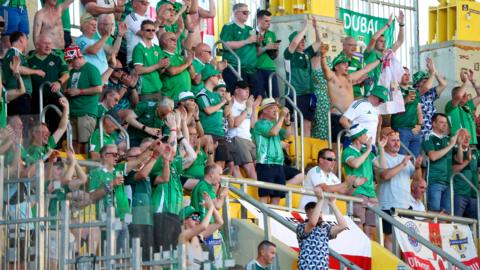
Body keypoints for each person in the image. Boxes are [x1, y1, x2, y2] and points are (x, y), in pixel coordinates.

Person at [319, 42, 381, 150]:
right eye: (344, 64)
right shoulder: (332, 78)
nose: (347, 65)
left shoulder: (349, 78)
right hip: (337, 117)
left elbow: (365, 69)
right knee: (337, 148)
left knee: (351, 147)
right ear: (336, 66)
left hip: (350, 118)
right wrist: (323, 56)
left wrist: (380, 60)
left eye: (348, 63)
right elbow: (325, 69)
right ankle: (335, 167)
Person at [377, 127, 422, 251]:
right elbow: (385, 175)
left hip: (406, 206)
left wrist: (418, 167)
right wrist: (402, 164)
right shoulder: (380, 157)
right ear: (385, 143)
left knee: (410, 240)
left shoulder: (404, 158)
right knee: (390, 237)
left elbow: (417, 181)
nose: (397, 143)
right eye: (393, 141)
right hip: (388, 205)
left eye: (398, 140)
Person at [341, 124, 386, 238]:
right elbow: (355, 163)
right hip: (357, 192)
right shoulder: (347, 151)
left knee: (370, 228)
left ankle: (369, 252)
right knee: (358, 225)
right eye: (364, 134)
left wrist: (381, 149)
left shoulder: (367, 151)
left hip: (371, 192)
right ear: (358, 137)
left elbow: (382, 166)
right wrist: (369, 150)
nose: (367, 136)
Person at [284, 17, 322, 137]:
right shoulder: (288, 55)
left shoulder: (306, 54)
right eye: (301, 40)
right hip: (295, 94)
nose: (302, 42)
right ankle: (294, 150)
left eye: (303, 40)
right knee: (294, 123)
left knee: (307, 124)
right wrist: (305, 27)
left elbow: (319, 43)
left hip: (308, 94)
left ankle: (305, 150)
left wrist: (316, 27)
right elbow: (294, 43)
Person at [296, 186, 348, 270]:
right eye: (315, 213)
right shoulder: (301, 226)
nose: (319, 215)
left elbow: (343, 225)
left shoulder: (324, 228)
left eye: (320, 212)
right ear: (307, 215)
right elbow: (312, 223)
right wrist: (320, 200)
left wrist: (333, 204)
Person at [299, 148, 366, 212]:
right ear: (321, 160)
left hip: (323, 214)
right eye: (330, 159)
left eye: (334, 160)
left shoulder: (332, 176)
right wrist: (346, 183)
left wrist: (354, 186)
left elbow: (345, 193)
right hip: (307, 212)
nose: (333, 162)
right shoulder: (316, 170)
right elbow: (325, 188)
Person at [252, 98, 292, 205]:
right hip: (265, 163)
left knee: (277, 197)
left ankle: (272, 221)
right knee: (264, 196)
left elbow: (287, 135)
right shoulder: (259, 124)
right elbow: (273, 132)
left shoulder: (275, 124)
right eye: (272, 108)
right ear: (264, 110)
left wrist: (287, 123)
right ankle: (263, 221)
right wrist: (282, 117)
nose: (276, 111)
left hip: (278, 164)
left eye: (276, 109)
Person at [422, 113, 463, 213]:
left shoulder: (447, 139)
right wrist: (451, 145)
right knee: (434, 213)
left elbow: (459, 160)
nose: (445, 125)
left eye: (445, 123)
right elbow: (433, 156)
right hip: (434, 181)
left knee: (446, 215)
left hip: (448, 182)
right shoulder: (429, 137)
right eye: (441, 122)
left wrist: (460, 144)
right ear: (434, 124)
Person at [190, 163, 229, 266]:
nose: (221, 177)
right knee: (209, 263)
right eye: (219, 174)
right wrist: (223, 194)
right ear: (211, 174)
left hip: (203, 227)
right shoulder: (204, 186)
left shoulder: (202, 185)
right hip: (205, 228)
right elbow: (217, 205)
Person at [196, 65, 233, 169]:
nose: (219, 77)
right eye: (217, 76)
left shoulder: (217, 96)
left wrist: (229, 103)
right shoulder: (202, 94)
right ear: (210, 77)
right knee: (210, 164)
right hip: (209, 133)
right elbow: (208, 110)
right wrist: (223, 102)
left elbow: (225, 114)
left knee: (220, 164)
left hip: (220, 133)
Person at [219, 3, 260, 96]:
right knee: (236, 96)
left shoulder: (250, 29)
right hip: (234, 67)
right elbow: (226, 45)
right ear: (236, 13)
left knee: (253, 97)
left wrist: (259, 41)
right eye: (244, 12)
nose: (247, 15)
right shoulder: (229, 27)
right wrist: (247, 41)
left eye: (248, 12)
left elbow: (256, 46)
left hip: (251, 69)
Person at [2, 31, 45, 115]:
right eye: (26, 39)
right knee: (21, 126)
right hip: (19, 96)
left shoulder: (13, 53)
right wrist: (36, 71)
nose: (27, 42)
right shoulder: (14, 52)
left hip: (17, 96)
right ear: (21, 40)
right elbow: (17, 68)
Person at [363, 11, 404, 95]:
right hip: (371, 93)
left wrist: (401, 25)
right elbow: (374, 38)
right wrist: (387, 25)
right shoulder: (370, 52)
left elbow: (400, 41)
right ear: (375, 43)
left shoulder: (386, 54)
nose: (384, 43)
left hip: (385, 92)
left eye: (385, 41)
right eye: (381, 41)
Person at [27, 35, 69, 117]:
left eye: (49, 44)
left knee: (56, 125)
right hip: (36, 100)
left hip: (55, 98)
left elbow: (66, 74)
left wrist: (59, 82)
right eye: (45, 43)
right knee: (37, 126)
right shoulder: (29, 60)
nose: (48, 46)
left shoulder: (57, 58)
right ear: (38, 45)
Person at [178, 193, 223, 269]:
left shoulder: (199, 235)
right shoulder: (183, 236)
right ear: (185, 220)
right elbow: (203, 226)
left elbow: (219, 222)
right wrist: (211, 207)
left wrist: (211, 208)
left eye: (198, 217)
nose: (198, 220)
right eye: (194, 217)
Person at [228, 81, 261, 179]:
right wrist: (247, 109)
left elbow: (253, 125)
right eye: (244, 89)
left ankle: (261, 191)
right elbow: (234, 123)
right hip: (237, 138)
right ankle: (258, 192)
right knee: (250, 167)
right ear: (236, 90)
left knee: (260, 165)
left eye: (248, 89)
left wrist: (254, 108)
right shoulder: (231, 103)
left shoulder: (246, 105)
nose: (247, 91)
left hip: (248, 139)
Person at [133, 20, 170, 101]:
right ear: (142, 32)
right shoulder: (138, 48)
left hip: (158, 88)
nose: (151, 32)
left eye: (153, 30)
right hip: (146, 91)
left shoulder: (157, 48)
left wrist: (164, 66)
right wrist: (158, 65)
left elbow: (160, 70)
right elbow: (138, 70)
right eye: (148, 30)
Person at [391, 67, 423, 157]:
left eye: (408, 74)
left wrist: (420, 125)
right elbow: (391, 109)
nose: (407, 76)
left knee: (415, 160)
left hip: (415, 130)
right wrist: (405, 100)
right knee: (401, 158)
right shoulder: (394, 89)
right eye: (404, 74)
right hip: (401, 129)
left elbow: (419, 110)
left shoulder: (414, 91)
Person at [412, 58, 447, 138]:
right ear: (417, 83)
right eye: (423, 81)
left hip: (432, 131)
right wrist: (432, 73)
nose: (427, 82)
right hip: (420, 131)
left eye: (427, 80)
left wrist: (434, 71)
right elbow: (426, 87)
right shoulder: (414, 92)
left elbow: (443, 84)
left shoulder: (430, 93)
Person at [445, 70, 480, 146]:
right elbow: (459, 96)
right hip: (458, 145)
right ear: (454, 97)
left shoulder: (468, 105)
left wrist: (472, 82)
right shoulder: (450, 106)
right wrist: (466, 82)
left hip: (472, 144)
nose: (466, 97)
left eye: (466, 95)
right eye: (464, 95)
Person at [160, 31, 193, 101]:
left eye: (176, 39)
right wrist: (187, 63)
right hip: (172, 98)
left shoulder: (179, 56)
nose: (175, 41)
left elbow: (192, 75)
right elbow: (172, 71)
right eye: (172, 39)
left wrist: (190, 62)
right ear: (164, 41)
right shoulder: (161, 55)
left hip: (186, 97)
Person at [452, 130, 478, 219]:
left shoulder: (475, 152)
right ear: (458, 138)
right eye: (463, 136)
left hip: (474, 194)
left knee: (476, 225)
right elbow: (453, 170)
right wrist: (467, 161)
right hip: (459, 193)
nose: (467, 139)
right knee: (457, 223)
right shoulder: (453, 150)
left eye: (468, 137)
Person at [125, 0, 158, 65]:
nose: (146, 5)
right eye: (143, 2)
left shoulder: (149, 18)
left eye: (147, 3)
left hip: (151, 58)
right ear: (134, 3)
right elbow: (144, 33)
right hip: (138, 59)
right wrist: (159, 21)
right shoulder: (131, 16)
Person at [256, 9, 279, 98]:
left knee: (275, 97)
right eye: (266, 21)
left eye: (270, 21)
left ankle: (275, 112)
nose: (269, 23)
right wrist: (266, 48)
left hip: (270, 68)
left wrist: (275, 50)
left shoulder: (271, 34)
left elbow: (275, 56)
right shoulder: (252, 33)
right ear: (259, 20)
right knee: (259, 98)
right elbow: (253, 54)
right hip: (257, 69)